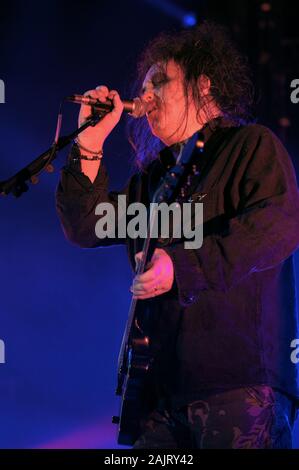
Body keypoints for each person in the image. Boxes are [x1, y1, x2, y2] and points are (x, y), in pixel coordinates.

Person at [56, 22, 299, 448]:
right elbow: (86, 224)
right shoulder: (154, 181)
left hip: (237, 387)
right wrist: (89, 144)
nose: (145, 98)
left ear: (204, 85)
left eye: (160, 84)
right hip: (159, 399)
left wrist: (182, 265)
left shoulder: (250, 147)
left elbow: (280, 226)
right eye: (143, 88)